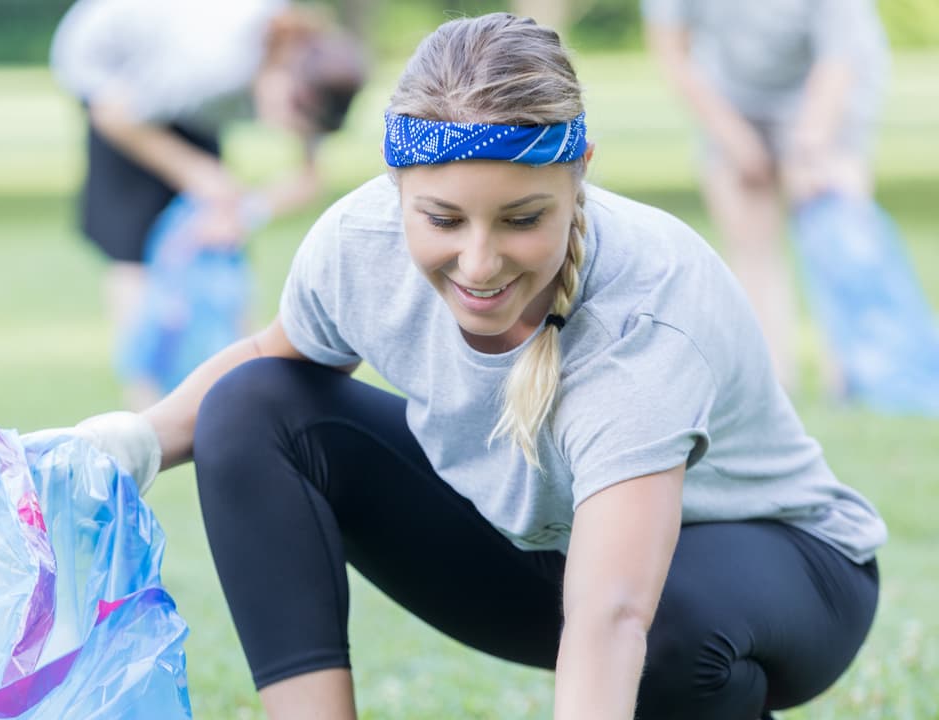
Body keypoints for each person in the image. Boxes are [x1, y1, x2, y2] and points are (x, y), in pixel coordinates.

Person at [44, 14, 885, 719]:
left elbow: (611, 614)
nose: (479, 264)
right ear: (396, 186)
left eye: (522, 219)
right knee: (250, 405)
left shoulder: (645, 311)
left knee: (667, 630)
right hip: (540, 551)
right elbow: (270, 360)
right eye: (441, 218)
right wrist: (134, 442)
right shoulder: (359, 241)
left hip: (778, 571)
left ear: (578, 175)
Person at [49, 0, 365, 410]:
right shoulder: (215, 67)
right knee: (133, 243)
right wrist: (198, 174)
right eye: (292, 115)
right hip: (109, 67)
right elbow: (113, 115)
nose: (291, 130)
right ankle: (146, 410)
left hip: (179, 91)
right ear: (281, 74)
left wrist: (241, 213)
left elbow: (307, 181)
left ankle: (251, 392)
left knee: (217, 243)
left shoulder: (316, 71)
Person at [642, 0, 891, 392]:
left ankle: (854, 376)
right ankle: (772, 380)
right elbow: (674, 53)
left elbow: (841, 56)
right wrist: (733, 138)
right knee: (750, 240)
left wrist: (812, 145)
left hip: (828, 88)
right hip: (730, 95)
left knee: (836, 233)